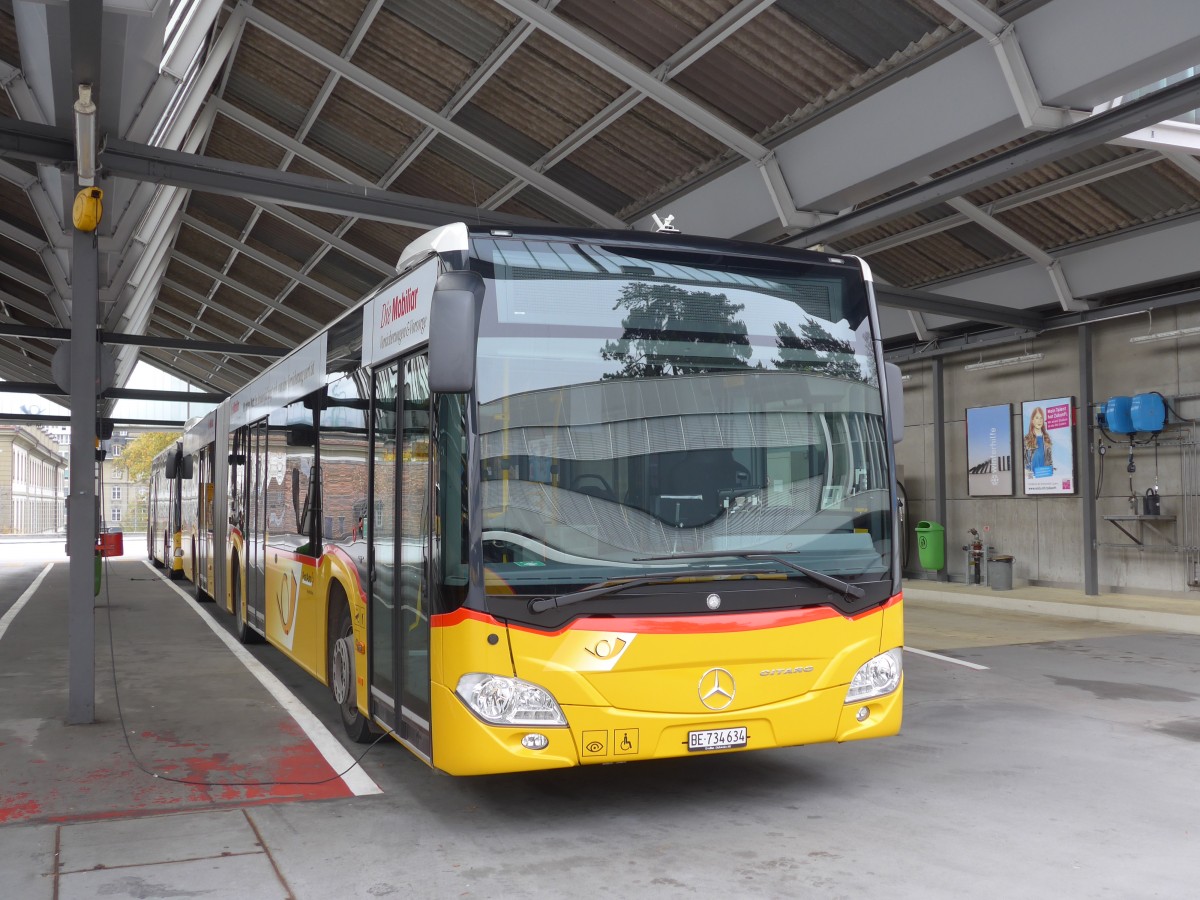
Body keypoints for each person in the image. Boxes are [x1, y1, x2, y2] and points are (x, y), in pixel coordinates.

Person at [1023, 406, 1053, 474]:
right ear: (1032, 420)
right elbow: (1024, 461)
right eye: (1037, 417)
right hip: (1031, 479)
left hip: (1044, 476)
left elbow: (1050, 462)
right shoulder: (1026, 439)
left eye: (1041, 418)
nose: (1039, 420)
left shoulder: (1047, 439)